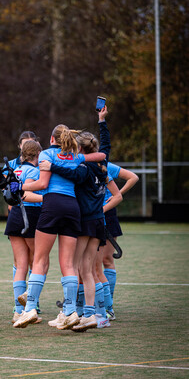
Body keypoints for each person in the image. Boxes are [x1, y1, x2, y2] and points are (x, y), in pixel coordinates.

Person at [11, 124, 106, 329]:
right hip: (73, 208)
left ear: (52, 139)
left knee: (40, 258)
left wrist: (19, 186)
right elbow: (100, 156)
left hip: (52, 205)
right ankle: (71, 311)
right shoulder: (75, 156)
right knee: (69, 264)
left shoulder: (46, 154)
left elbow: (43, 185)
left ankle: (29, 309)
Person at [39, 107, 121, 332]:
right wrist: (102, 122)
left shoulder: (83, 167)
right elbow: (106, 148)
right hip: (98, 221)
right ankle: (94, 314)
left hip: (84, 221)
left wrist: (52, 165)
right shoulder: (102, 166)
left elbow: (73, 175)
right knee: (89, 269)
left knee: (75, 267)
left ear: (81, 148)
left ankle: (75, 312)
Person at [4, 139, 43, 324]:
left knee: (21, 265)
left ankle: (18, 312)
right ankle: (29, 304)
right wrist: (47, 198)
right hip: (30, 215)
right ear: (37, 154)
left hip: (15, 215)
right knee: (38, 260)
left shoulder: (16, 169)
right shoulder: (33, 170)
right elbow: (26, 194)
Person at [100, 163, 139, 318]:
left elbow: (133, 177)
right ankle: (83, 304)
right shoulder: (77, 164)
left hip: (107, 214)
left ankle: (109, 307)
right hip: (86, 215)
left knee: (106, 259)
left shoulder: (106, 166)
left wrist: (115, 195)